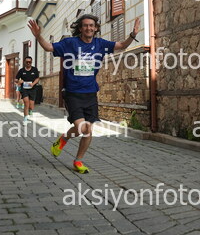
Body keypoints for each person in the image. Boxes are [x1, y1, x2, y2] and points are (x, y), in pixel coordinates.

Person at [28, 14, 140, 174]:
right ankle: (64, 139)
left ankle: (78, 160)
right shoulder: (70, 43)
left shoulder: (100, 44)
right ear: (80, 28)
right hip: (72, 93)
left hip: (90, 93)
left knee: (87, 130)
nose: (89, 28)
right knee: (82, 128)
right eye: (85, 25)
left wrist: (133, 34)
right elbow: (48, 47)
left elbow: (122, 45)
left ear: (96, 28)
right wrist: (38, 36)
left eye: (91, 25)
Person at [15, 56, 40, 124]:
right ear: (24, 62)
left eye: (30, 62)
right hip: (24, 89)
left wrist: (33, 84)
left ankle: (30, 110)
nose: (28, 63)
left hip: (33, 89)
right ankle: (25, 119)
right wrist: (19, 81)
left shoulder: (34, 69)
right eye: (27, 62)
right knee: (26, 103)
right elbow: (16, 79)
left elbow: (37, 78)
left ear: (31, 62)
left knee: (31, 106)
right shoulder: (21, 70)